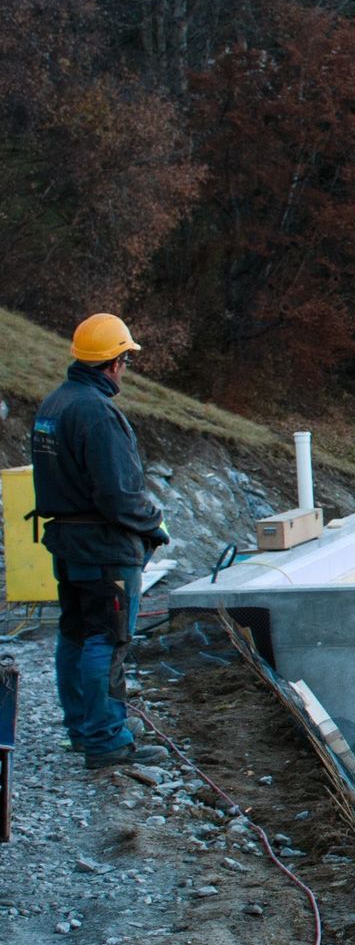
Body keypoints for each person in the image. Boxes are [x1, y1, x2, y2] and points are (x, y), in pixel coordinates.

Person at [31, 314, 171, 768]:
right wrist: (153, 525)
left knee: (74, 635)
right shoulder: (97, 411)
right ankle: (107, 740)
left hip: (68, 542)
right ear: (115, 362)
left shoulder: (55, 404)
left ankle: (82, 729)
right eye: (126, 360)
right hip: (104, 547)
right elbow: (118, 493)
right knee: (106, 641)